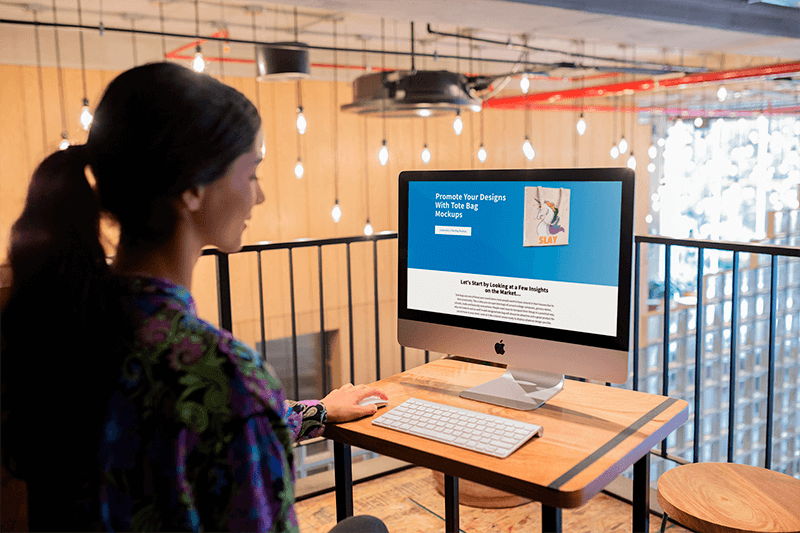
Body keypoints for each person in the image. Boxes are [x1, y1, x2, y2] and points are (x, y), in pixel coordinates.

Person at [0, 62, 389, 533]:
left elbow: (185, 436)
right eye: (252, 173)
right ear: (191, 189)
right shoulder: (225, 376)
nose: (259, 197)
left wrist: (318, 413)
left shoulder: (55, 325)